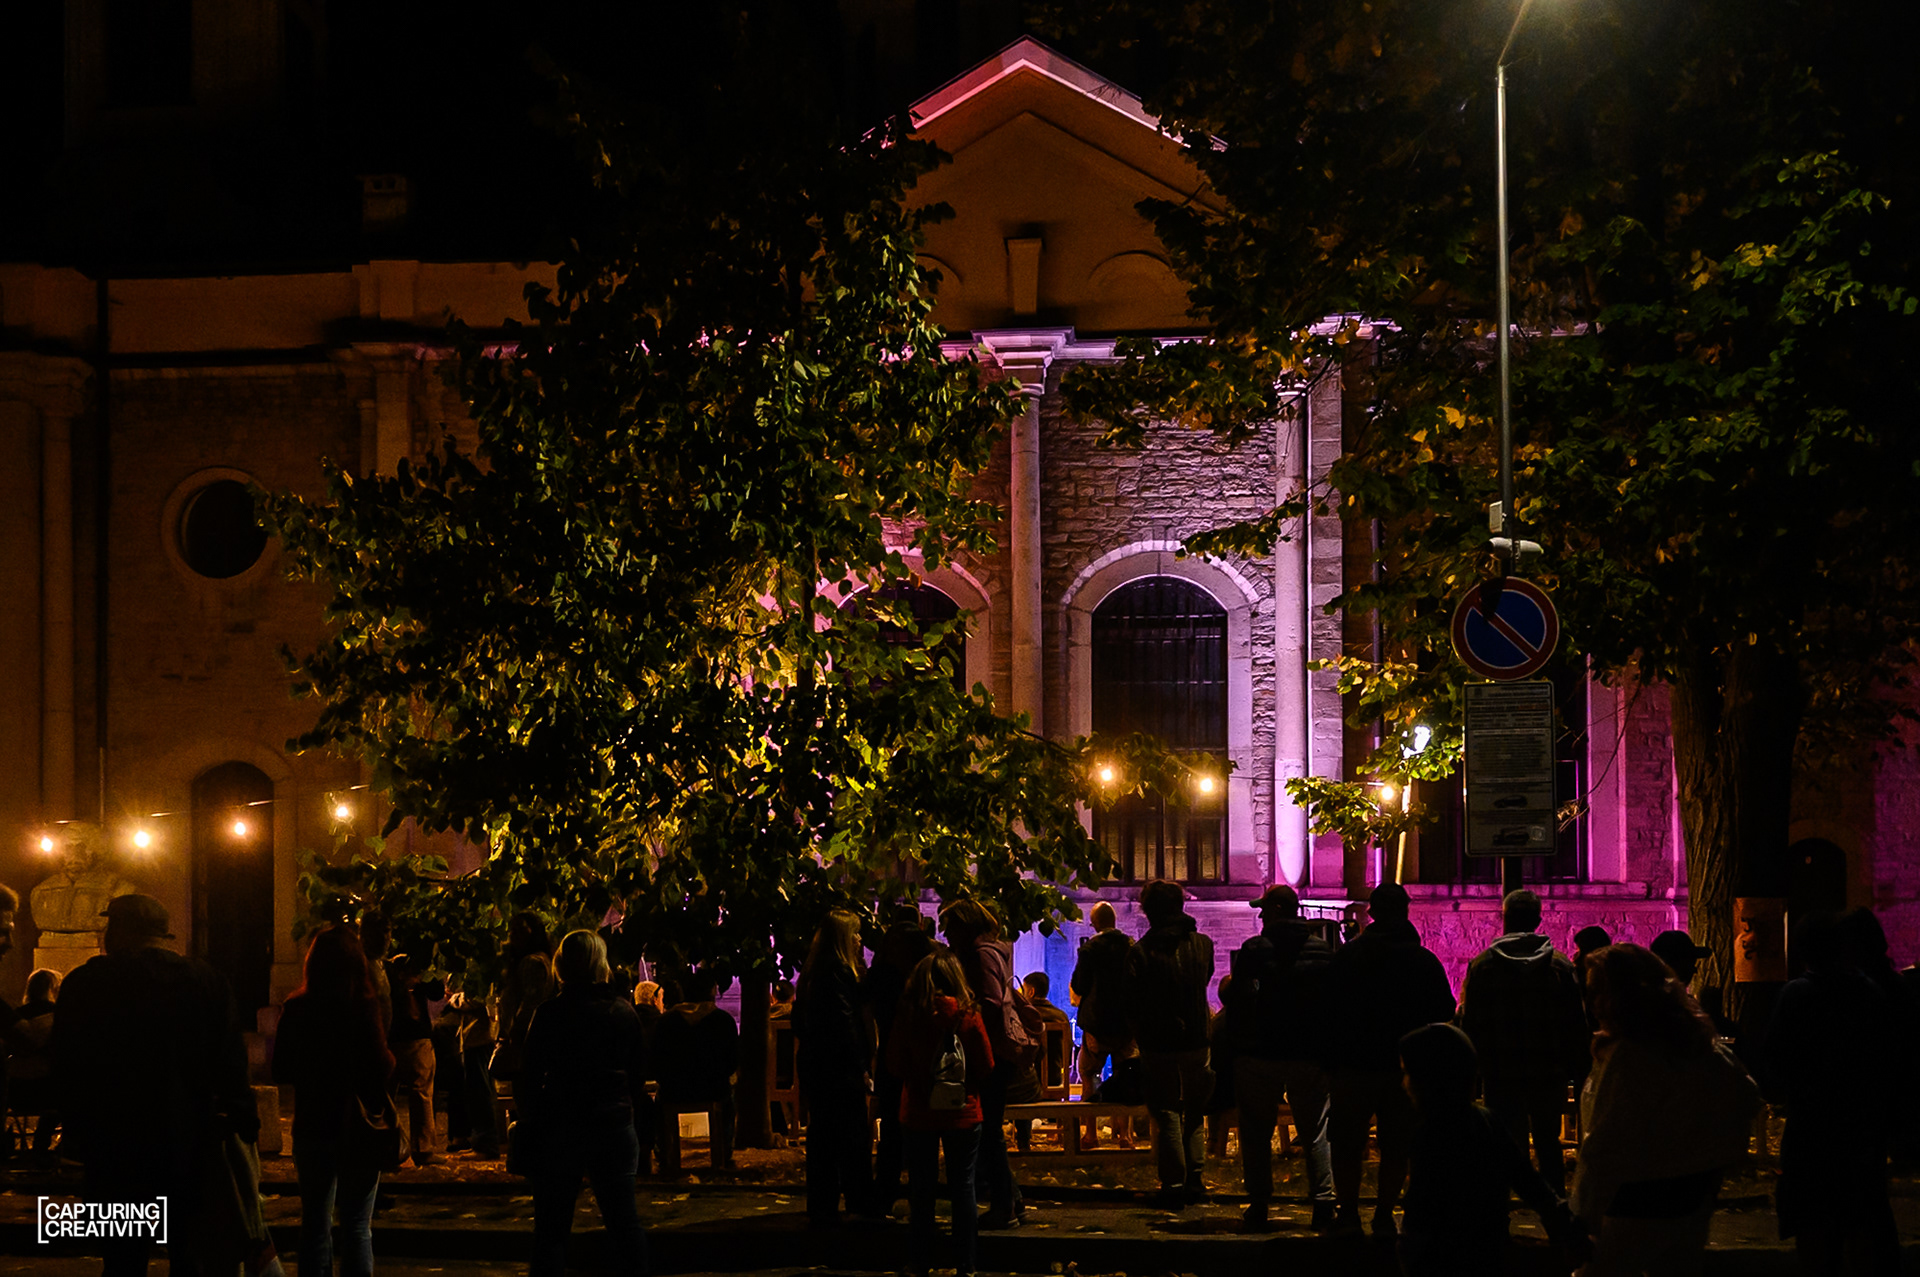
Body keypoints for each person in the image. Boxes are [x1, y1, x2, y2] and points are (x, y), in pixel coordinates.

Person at [54, 894, 258, 1277]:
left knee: (122, 1260)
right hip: (191, 1145)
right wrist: (242, 1120)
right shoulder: (207, 982)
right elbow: (231, 1061)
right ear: (164, 935)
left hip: (116, 1148)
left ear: (120, 931)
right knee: (190, 1256)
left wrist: (76, 1132)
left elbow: (67, 1062)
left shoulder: (88, 983)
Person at [1575, 944, 1761, 1275]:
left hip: (1637, 1201)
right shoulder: (1696, 1042)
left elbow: (1604, 1147)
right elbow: (1745, 1095)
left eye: (1596, 990)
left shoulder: (1632, 1055)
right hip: (1691, 1197)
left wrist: (1581, 1217)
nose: (1591, 1001)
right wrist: (1712, 1162)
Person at [1764, 913, 1901, 1276]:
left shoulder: (1797, 995)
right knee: (1858, 1217)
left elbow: (1776, 1059)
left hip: (1811, 1124)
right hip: (1860, 1124)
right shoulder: (1868, 993)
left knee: (1811, 1220)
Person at [1397, 1023, 1585, 1276]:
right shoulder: (1487, 1122)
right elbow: (1527, 1179)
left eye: (1408, 1073)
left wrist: (1410, 1248)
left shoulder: (1431, 1132)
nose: (1404, 1083)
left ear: (1428, 1080)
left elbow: (1423, 1206)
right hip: (1488, 1249)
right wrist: (1565, 1224)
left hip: (1439, 1258)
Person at [1324, 881, 1455, 1238]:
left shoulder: (1349, 957)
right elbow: (1444, 1010)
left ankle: (1348, 1213)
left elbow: (1328, 1009)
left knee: (1347, 1142)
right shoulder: (1423, 961)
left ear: (1373, 913)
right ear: (1406, 912)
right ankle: (1384, 1213)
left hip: (1354, 1064)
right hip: (1404, 1067)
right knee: (1397, 1144)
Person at [519, 930, 649, 1277]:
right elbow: (637, 1074)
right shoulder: (622, 1012)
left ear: (561, 965)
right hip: (612, 1122)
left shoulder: (550, 1013)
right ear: (600, 964)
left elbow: (529, 1074)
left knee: (551, 1228)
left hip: (560, 1126)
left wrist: (533, 1116)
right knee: (624, 1224)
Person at [273, 924, 395, 1277]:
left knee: (315, 1223)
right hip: (356, 1126)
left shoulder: (297, 1008)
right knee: (357, 1225)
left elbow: (281, 1068)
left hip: (313, 1124)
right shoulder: (364, 1007)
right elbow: (380, 1065)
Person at [1456, 889, 1588, 1192]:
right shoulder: (1559, 966)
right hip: (1548, 1071)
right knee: (1548, 1141)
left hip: (1501, 1072)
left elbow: (1471, 1023)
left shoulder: (1483, 966)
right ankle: (1554, 1209)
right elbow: (1574, 1025)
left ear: (1506, 919)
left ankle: (1501, 1212)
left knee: (1504, 1142)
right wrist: (1577, 1068)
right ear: (1538, 919)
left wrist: (1474, 1073)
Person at [1228, 884, 1335, 1231]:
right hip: (1308, 1052)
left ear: (1274, 910)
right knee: (1316, 1129)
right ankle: (1323, 1202)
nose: (1259, 915)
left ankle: (1259, 1205)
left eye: (1263, 909)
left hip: (1261, 1052)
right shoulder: (1322, 952)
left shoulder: (1254, 951)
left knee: (1256, 1131)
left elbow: (1239, 1001)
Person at [885, 947, 993, 1277]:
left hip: (919, 1110)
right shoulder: (968, 1016)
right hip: (963, 1110)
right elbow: (986, 1065)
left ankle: (920, 1260)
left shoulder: (910, 1015)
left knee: (922, 1187)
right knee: (963, 1186)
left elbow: (894, 1063)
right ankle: (967, 1263)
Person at [940, 897, 1032, 1229]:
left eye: (950, 927)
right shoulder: (994, 951)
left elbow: (991, 1002)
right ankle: (1012, 1199)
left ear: (965, 925)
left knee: (988, 1130)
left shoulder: (980, 956)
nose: (947, 934)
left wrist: (964, 1018)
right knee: (989, 1128)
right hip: (999, 1050)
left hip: (990, 1050)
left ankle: (1004, 1205)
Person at [1124, 880, 1216, 1207]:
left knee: (1166, 1112)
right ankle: (1196, 1179)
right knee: (1194, 1112)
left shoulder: (1140, 953)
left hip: (1159, 1042)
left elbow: (1133, 1000)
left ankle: (1174, 1183)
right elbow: (1203, 980)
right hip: (1197, 1038)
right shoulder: (1202, 945)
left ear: (1149, 911)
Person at [794, 910, 875, 1226]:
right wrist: (861, 1066)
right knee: (852, 1135)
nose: (859, 940)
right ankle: (858, 1200)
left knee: (824, 1135)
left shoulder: (814, 970)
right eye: (855, 934)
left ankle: (823, 1202)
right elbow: (846, 1025)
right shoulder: (838, 972)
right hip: (839, 1068)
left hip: (818, 1065)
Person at [864, 905, 934, 1212]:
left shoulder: (883, 956)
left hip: (891, 1047)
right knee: (927, 1123)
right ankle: (924, 1194)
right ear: (919, 922)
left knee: (891, 1122)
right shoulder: (930, 952)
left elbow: (865, 999)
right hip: (926, 1048)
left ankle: (886, 1191)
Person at [655, 970, 738, 1166]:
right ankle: (725, 1152)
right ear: (711, 990)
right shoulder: (723, 1020)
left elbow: (656, 1061)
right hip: (713, 1089)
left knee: (659, 1101)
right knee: (730, 1097)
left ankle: (664, 1153)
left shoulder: (666, 1021)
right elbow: (732, 1061)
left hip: (674, 1090)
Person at [386, 952, 445, 1167]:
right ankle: (422, 1149)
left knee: (388, 1095)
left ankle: (389, 1148)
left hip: (394, 1036)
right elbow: (437, 993)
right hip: (412, 1036)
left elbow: (436, 993)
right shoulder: (414, 965)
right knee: (420, 1093)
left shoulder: (387, 968)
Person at [1070, 902, 1134, 1098]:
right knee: (1124, 1075)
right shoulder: (1131, 946)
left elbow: (1080, 985)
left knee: (1088, 1073)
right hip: (1125, 1023)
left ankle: (1090, 1127)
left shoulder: (1090, 949)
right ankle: (1122, 1129)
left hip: (1097, 1024)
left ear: (1095, 924)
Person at [1008, 972, 1070, 1152]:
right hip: (1055, 1083)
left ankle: (1023, 1142)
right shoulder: (1061, 1017)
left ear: (1031, 992)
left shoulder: (1023, 1017)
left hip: (1028, 1086)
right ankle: (1055, 1130)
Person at [9, 968, 62, 1156]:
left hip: (14, 1090)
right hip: (47, 1091)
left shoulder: (15, 1017)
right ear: (54, 989)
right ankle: (47, 1142)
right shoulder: (59, 1018)